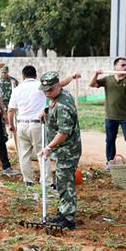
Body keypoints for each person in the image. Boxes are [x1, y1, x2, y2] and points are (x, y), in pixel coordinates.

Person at [38, 72, 82, 230]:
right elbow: (63, 85)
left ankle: (68, 218)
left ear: (57, 86)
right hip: (65, 150)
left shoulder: (62, 106)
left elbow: (64, 132)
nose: (46, 93)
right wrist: (46, 111)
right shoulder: (60, 94)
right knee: (63, 181)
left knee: (65, 183)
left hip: (67, 150)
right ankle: (64, 210)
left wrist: (49, 147)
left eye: (49, 90)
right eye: (44, 90)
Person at [8, 66, 53, 186]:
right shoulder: (41, 86)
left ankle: (28, 181)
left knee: (23, 155)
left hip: (21, 125)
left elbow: (11, 110)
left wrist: (11, 126)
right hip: (37, 125)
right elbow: (56, 88)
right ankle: (46, 182)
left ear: (23, 76)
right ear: (36, 75)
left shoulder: (17, 89)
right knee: (43, 152)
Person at [89, 57, 126, 169]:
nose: (125, 67)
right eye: (123, 65)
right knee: (110, 140)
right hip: (111, 117)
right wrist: (96, 74)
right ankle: (110, 162)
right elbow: (92, 84)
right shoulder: (108, 79)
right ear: (115, 67)